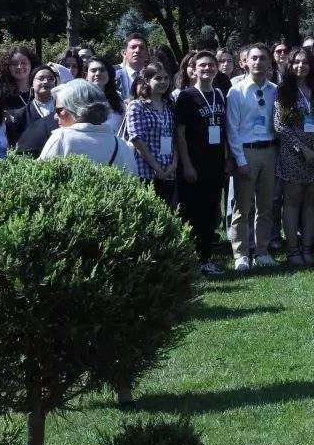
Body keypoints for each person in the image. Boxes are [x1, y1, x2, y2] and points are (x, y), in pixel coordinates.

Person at [175, 51, 230, 276]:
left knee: (210, 213)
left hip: (215, 164)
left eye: (210, 65)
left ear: (216, 68)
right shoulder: (187, 96)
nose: (207, 69)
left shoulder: (219, 94)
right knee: (192, 214)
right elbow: (180, 134)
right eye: (202, 66)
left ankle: (205, 259)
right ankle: (190, 260)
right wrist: (187, 165)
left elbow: (224, 130)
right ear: (194, 70)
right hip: (194, 165)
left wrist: (226, 159)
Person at [226, 43, 278, 271]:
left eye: (263, 58)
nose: (258, 62)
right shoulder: (236, 91)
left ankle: (262, 251)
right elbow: (232, 129)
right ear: (245, 62)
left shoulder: (275, 90)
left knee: (266, 206)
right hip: (246, 152)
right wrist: (240, 160)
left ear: (269, 62)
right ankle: (241, 254)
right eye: (254, 58)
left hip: (269, 151)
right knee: (242, 207)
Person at [274, 47, 314, 266]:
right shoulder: (283, 91)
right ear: (289, 65)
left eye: (304, 62)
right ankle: (293, 251)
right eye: (296, 62)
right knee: (292, 203)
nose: (300, 66)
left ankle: (307, 248)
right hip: (293, 155)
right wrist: (302, 148)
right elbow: (280, 126)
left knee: (312, 204)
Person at [39, 79, 139, 175]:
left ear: (77, 109)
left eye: (59, 110)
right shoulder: (121, 145)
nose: (55, 116)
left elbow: (39, 177)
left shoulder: (61, 138)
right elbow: (133, 181)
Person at [125, 62, 178, 206]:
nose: (163, 82)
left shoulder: (170, 105)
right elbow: (137, 139)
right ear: (147, 80)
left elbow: (176, 136)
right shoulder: (137, 106)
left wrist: (174, 164)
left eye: (166, 78)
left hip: (169, 171)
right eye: (158, 78)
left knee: (168, 214)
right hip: (146, 172)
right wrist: (157, 168)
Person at [6, 63, 58, 145]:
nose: (46, 81)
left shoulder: (63, 110)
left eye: (50, 79)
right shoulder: (21, 115)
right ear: (31, 84)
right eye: (41, 78)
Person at [86, 58, 125, 134]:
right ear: (86, 75)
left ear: (109, 74)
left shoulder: (119, 99)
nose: (98, 73)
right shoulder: (79, 99)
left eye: (102, 70)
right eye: (93, 70)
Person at [0, 45, 35, 110]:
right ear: (8, 67)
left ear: (31, 64)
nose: (19, 67)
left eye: (23, 63)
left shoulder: (40, 90)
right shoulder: (1, 94)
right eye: (14, 64)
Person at [114, 32, 148, 99]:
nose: (137, 50)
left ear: (146, 53)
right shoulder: (113, 75)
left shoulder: (152, 75)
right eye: (133, 47)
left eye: (141, 47)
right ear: (124, 53)